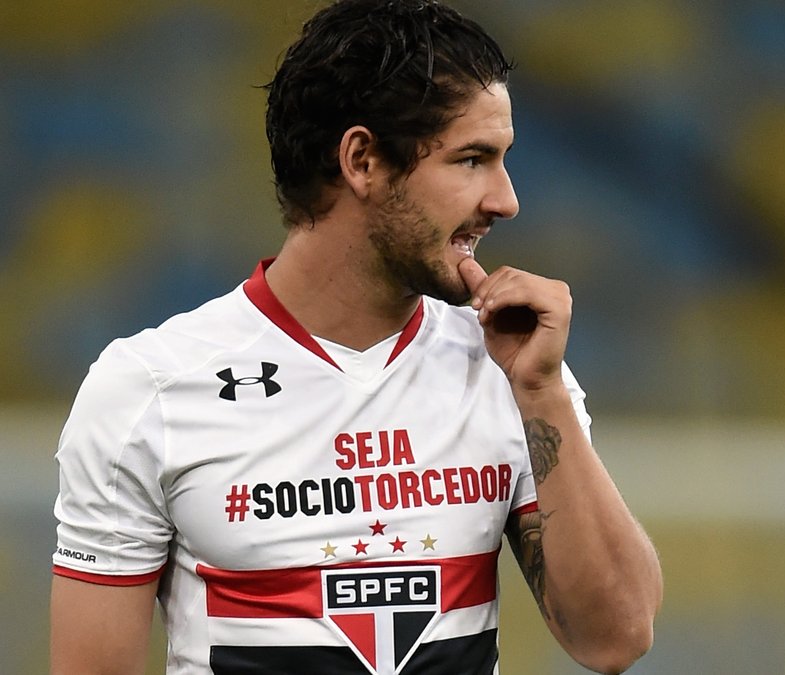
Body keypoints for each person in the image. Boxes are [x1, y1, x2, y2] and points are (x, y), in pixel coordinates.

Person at [48, 1, 663, 673]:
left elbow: (616, 637)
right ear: (363, 160)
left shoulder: (514, 371)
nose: (505, 200)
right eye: (471, 159)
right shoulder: (150, 390)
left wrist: (542, 393)